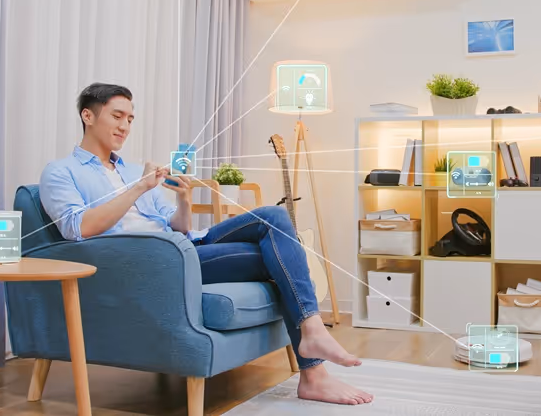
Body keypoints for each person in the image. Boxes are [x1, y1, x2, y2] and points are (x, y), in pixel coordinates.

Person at [39, 83, 373, 406]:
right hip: (155, 261)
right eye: (117, 116)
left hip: (185, 245)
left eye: (130, 118)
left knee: (273, 216)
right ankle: (313, 369)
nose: (125, 125)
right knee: (278, 256)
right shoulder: (61, 172)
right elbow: (77, 228)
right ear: (88, 115)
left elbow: (178, 225)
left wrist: (184, 199)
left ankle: (312, 338)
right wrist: (139, 188)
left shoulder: (130, 171)